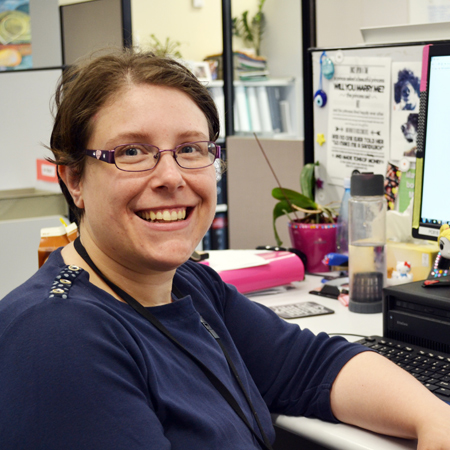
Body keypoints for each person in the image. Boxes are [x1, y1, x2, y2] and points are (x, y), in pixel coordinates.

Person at [0, 48, 449, 450]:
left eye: (190, 148)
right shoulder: (58, 339)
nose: (171, 177)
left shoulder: (187, 286)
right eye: (133, 152)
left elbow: (310, 366)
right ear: (74, 178)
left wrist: (433, 419)